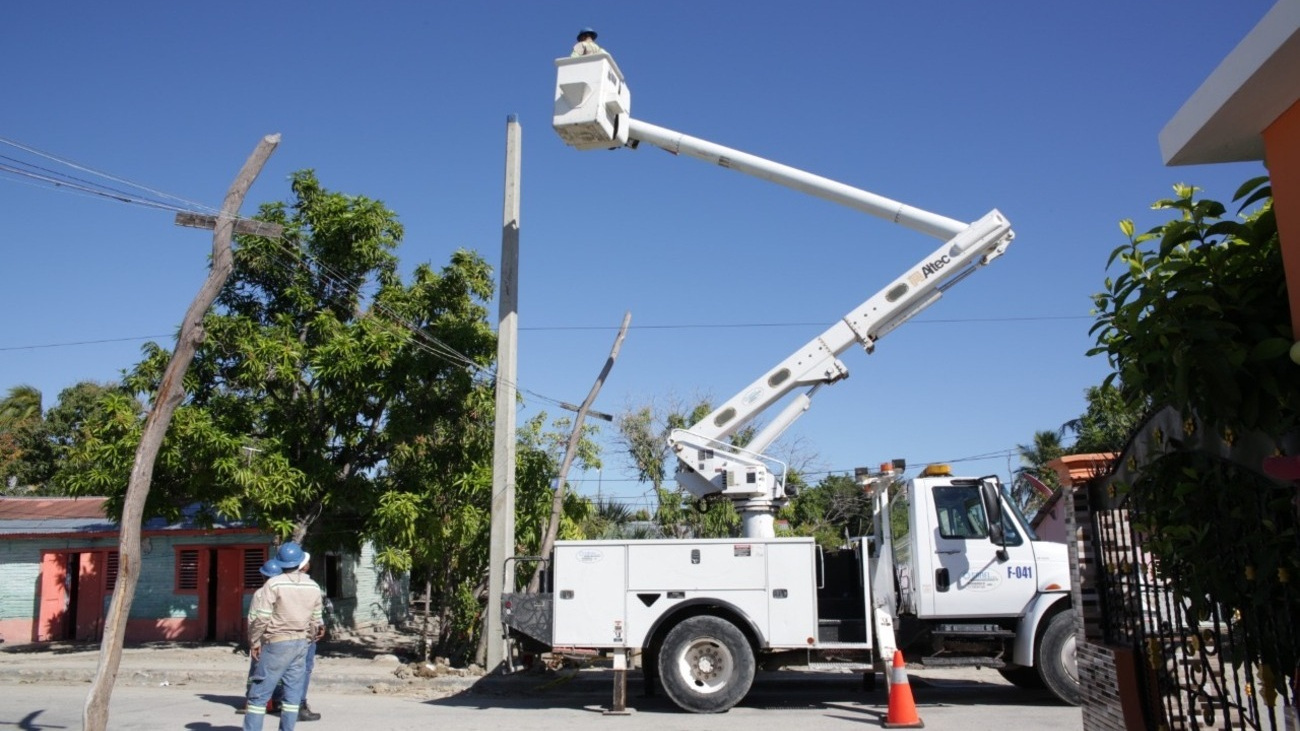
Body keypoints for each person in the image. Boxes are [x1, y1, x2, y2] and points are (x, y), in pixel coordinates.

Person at [243, 541, 323, 731]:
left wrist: (254, 641)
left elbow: (261, 618)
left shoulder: (273, 583)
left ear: (280, 562)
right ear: (300, 561)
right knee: (292, 696)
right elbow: (316, 621)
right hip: (301, 644)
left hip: (277, 644)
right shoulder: (313, 585)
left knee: (258, 696)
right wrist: (308, 638)